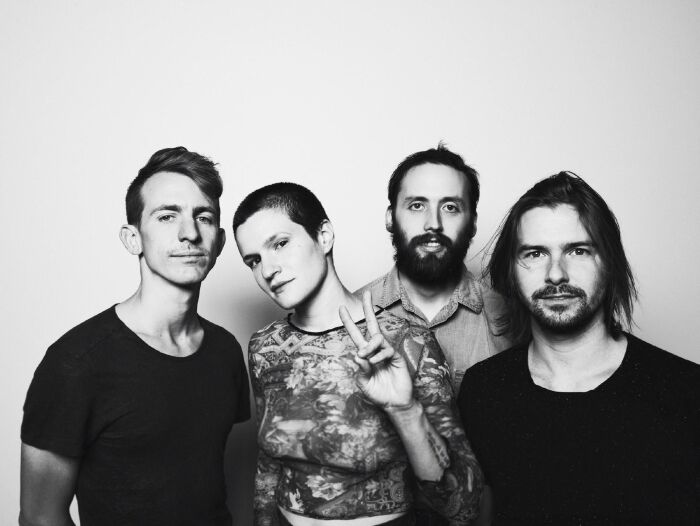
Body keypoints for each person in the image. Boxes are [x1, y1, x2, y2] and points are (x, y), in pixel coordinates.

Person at [20, 147, 250, 526]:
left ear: (220, 242)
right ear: (133, 239)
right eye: (167, 216)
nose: (190, 233)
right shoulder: (76, 362)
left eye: (203, 217)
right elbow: (39, 517)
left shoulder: (226, 351)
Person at [233, 182, 482, 526]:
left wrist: (405, 411)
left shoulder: (404, 340)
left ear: (324, 236)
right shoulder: (265, 346)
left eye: (280, 244)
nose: (268, 270)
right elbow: (268, 465)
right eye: (254, 260)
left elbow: (462, 504)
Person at [458, 171, 700, 525]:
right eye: (535, 253)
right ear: (511, 270)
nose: (556, 274)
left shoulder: (686, 390)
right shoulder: (484, 390)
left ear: (610, 263)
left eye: (578, 250)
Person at [359, 144, 510, 393]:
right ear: (390, 217)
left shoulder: (512, 322)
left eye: (450, 207)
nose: (433, 224)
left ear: (472, 223)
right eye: (417, 205)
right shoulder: (350, 314)